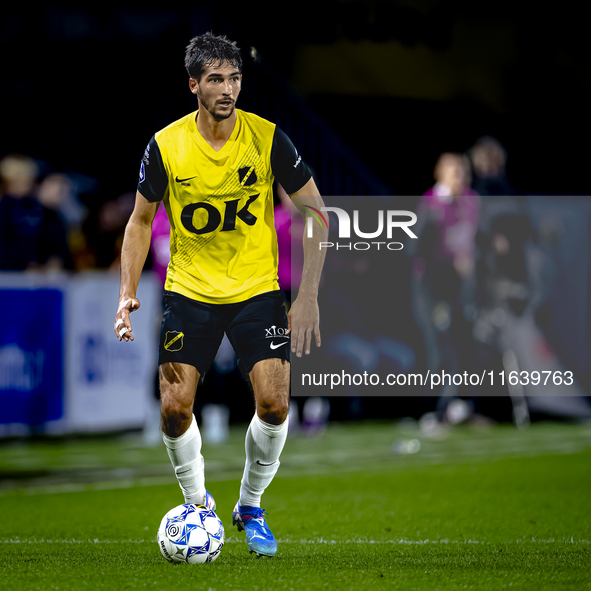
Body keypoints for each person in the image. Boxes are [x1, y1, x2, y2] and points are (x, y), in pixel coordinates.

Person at [113, 32, 326, 558]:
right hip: (190, 289)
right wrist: (126, 293)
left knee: (275, 405)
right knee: (173, 407)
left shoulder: (268, 138)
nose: (228, 88)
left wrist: (310, 294)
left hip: (257, 288)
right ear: (194, 85)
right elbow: (140, 221)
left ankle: (250, 505)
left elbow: (317, 215)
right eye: (215, 79)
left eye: (234, 78)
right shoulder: (165, 145)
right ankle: (197, 502)